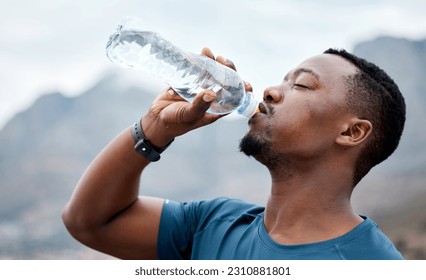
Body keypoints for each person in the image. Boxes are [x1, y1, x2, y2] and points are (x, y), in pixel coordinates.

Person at [62, 47, 406, 260]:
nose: (270, 91)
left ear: (351, 132)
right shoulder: (213, 224)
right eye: (283, 80)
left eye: (300, 85)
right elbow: (89, 222)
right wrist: (155, 128)